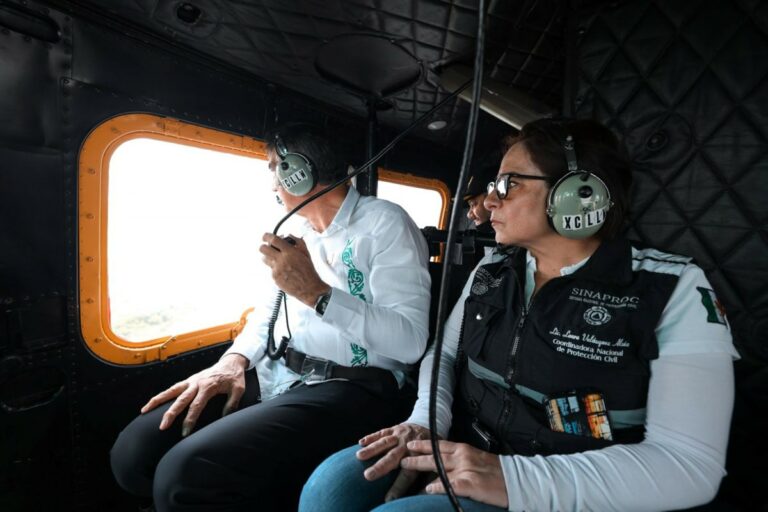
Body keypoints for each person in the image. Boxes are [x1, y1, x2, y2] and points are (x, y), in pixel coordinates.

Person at [299, 118, 738, 512]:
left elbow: (688, 464)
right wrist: (427, 420)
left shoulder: (672, 288)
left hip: (567, 486)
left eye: (508, 184)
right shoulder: (492, 270)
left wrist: (514, 478)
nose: (490, 201)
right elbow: (445, 353)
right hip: (468, 448)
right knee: (327, 491)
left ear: (576, 194)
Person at [110, 124, 432, 512]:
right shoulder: (298, 231)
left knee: (185, 476)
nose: (273, 185)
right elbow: (269, 311)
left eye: (275, 169)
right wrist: (233, 360)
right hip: (281, 372)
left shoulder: (385, 223)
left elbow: (410, 343)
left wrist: (317, 294)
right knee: (134, 453)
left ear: (300, 172)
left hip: (355, 385)